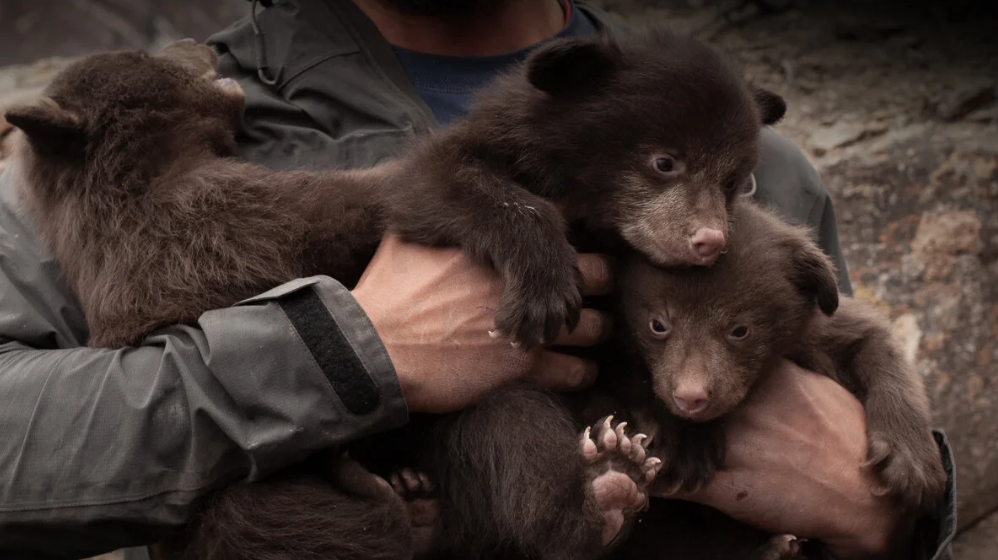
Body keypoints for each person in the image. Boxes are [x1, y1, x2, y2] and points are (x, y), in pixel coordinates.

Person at [0, 0, 954, 559]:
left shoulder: (748, 156)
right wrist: (341, 355)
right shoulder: (157, 127)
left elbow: (846, 437)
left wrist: (889, 516)